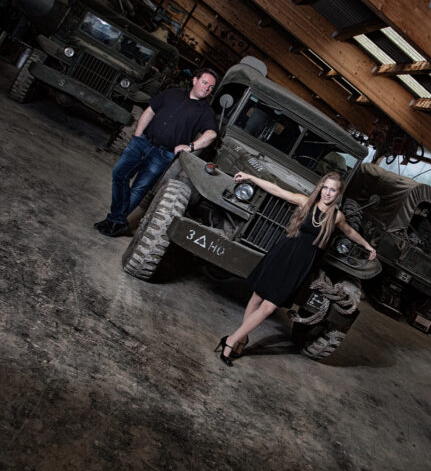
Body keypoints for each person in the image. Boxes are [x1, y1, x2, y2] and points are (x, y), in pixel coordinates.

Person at [216, 170, 377, 366]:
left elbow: (350, 232)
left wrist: (367, 246)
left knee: (268, 307)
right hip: (283, 253)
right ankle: (240, 339)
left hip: (301, 265)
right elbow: (277, 190)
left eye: (332, 190)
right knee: (257, 297)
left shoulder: (336, 217)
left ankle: (230, 340)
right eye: (325, 188)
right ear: (320, 188)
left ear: (338, 193)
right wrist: (250, 177)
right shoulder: (305, 202)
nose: (327, 193)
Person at [94, 68, 219, 236]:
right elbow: (150, 111)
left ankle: (113, 221)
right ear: (195, 80)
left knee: (139, 188)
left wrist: (190, 146)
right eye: (204, 83)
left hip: (162, 155)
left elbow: (211, 134)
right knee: (119, 174)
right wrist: (137, 135)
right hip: (142, 142)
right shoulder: (173, 93)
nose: (207, 88)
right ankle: (117, 220)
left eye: (211, 87)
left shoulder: (205, 112)